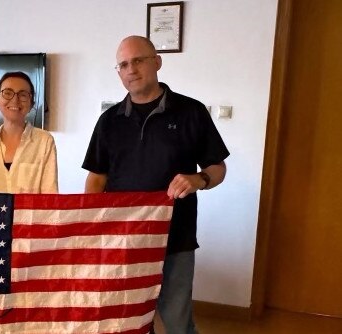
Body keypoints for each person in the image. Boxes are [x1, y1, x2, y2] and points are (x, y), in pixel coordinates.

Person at [82, 36, 230, 333]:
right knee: (125, 316)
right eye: (123, 64)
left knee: (176, 319)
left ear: (157, 62)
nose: (131, 69)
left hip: (175, 236)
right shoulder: (109, 121)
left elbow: (218, 168)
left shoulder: (192, 112)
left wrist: (198, 179)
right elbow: (96, 178)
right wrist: (91, 225)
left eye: (138, 60)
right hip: (122, 237)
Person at [0, 72, 58, 193]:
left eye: (23, 95)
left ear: (32, 103)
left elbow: (50, 194)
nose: (15, 99)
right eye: (7, 93)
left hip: (31, 212)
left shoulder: (44, 141)